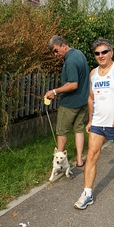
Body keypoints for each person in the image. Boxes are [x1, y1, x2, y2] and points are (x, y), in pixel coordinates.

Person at [74, 38, 114, 210]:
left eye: (104, 52)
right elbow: (91, 98)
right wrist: (90, 119)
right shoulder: (93, 74)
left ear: (111, 53)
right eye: (97, 53)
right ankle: (87, 194)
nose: (101, 56)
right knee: (92, 155)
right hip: (98, 123)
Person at [44, 35, 89, 172]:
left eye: (56, 50)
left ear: (63, 45)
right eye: (53, 52)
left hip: (70, 103)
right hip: (83, 101)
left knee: (62, 131)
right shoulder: (79, 53)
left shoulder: (70, 61)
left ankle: (57, 164)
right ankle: (80, 160)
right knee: (79, 129)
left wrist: (55, 92)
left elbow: (73, 84)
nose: (56, 54)